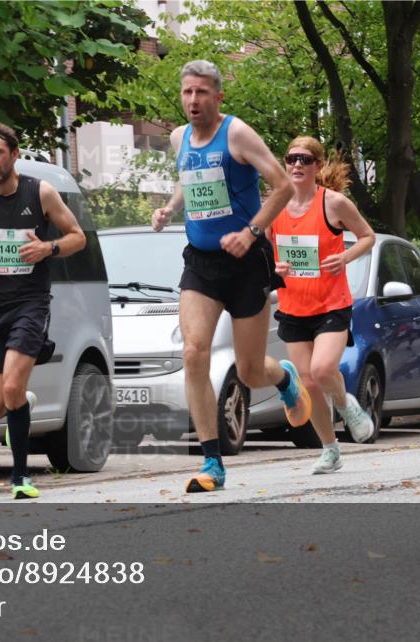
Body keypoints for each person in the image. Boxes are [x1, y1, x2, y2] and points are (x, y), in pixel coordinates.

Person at [151, 60, 312, 494]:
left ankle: (284, 379)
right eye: (187, 92)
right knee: (193, 353)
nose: (193, 100)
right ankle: (212, 460)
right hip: (201, 263)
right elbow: (191, 179)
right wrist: (170, 207)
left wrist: (251, 232)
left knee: (250, 369)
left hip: (246, 262)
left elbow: (281, 185)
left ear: (218, 97)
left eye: (202, 92)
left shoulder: (237, 133)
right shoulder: (178, 137)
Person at [0, 121, 86, 499]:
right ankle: (21, 403)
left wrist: (48, 249)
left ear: (15, 155)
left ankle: (21, 477)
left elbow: (77, 237)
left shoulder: (40, 193)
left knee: (9, 386)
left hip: (30, 303)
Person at [269, 136, 376, 474]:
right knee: (309, 383)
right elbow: (264, 253)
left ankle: (347, 405)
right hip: (293, 305)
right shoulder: (275, 205)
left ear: (316, 166)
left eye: (304, 159)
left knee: (321, 370)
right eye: (291, 159)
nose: (297, 165)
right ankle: (330, 450)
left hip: (331, 303)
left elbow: (368, 237)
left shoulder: (333, 203)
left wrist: (344, 257)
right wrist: (275, 269)